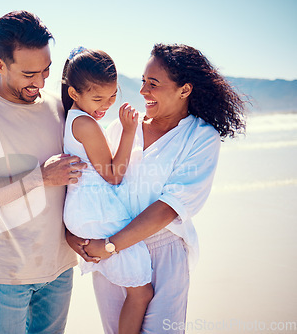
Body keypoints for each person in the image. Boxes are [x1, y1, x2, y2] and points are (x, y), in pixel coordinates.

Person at [66, 43, 246, 334]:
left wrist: (111, 245)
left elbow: (168, 208)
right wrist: (73, 235)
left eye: (153, 83)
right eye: (142, 82)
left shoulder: (201, 137)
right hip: (109, 252)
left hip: (160, 252)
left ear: (184, 89)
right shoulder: (122, 128)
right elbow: (89, 185)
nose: (142, 92)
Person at [0, 11, 86, 334]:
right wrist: (39, 177)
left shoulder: (58, 105)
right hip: (7, 276)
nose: (39, 82)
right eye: (28, 73)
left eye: (46, 71)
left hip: (61, 268)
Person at [61, 47, 153, 334]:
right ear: (75, 93)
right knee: (142, 292)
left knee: (136, 290)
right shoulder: (86, 123)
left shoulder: (75, 117)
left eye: (112, 96)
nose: (107, 104)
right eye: (98, 98)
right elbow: (113, 176)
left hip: (86, 211)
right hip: (95, 214)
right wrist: (128, 130)